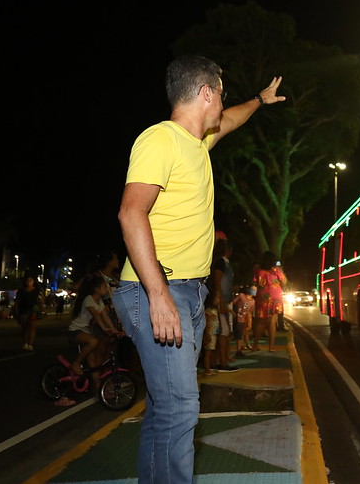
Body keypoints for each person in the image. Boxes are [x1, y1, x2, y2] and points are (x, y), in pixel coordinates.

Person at [114, 54, 284, 484]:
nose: (223, 104)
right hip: (157, 289)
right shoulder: (161, 139)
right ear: (206, 92)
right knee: (181, 408)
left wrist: (260, 101)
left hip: (188, 293)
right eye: (221, 94)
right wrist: (159, 296)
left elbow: (230, 120)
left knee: (165, 408)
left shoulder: (197, 142)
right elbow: (131, 214)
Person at [68, 273, 120, 384]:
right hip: (75, 330)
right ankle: (76, 363)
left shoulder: (100, 301)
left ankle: (99, 389)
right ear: (97, 289)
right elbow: (96, 315)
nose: (107, 289)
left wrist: (113, 329)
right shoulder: (89, 299)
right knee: (93, 342)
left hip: (85, 331)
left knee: (94, 362)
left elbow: (105, 316)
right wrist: (105, 329)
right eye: (104, 287)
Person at [208, 237, 237, 372]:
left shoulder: (220, 262)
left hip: (223, 300)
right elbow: (217, 281)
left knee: (221, 331)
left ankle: (217, 361)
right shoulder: (221, 263)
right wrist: (221, 300)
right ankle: (223, 363)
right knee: (223, 332)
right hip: (221, 301)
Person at [252, 251, 287, 352]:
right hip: (276, 296)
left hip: (263, 297)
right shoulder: (276, 270)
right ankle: (271, 346)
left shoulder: (258, 270)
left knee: (260, 321)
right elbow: (284, 281)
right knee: (272, 320)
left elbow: (254, 282)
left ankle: (255, 345)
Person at [14, 275, 43, 351]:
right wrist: (16, 309)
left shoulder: (36, 291)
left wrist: (42, 310)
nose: (28, 282)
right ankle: (25, 343)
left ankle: (30, 344)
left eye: (30, 280)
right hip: (23, 310)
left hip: (33, 310)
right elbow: (17, 301)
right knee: (24, 328)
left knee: (32, 328)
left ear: (33, 282)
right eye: (27, 280)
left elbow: (40, 301)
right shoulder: (21, 290)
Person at [232, 284, 256, 357]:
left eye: (254, 290)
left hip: (244, 319)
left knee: (243, 333)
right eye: (252, 289)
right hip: (238, 317)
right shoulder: (241, 296)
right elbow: (233, 302)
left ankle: (242, 347)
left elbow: (250, 311)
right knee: (239, 334)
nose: (253, 291)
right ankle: (238, 350)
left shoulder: (253, 301)